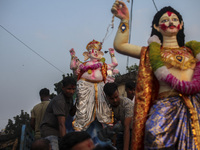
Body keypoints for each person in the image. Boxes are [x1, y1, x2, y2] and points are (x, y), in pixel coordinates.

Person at [111, 1, 200, 150]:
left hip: (194, 105)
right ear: (157, 27)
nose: (170, 22)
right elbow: (120, 46)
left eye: (174, 19)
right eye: (164, 20)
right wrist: (124, 21)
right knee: (154, 136)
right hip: (165, 104)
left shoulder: (192, 52)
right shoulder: (151, 52)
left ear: (181, 24)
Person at [40, 77, 76, 150]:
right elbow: (61, 124)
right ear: (63, 88)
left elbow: (71, 113)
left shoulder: (69, 98)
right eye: (69, 89)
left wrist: (78, 104)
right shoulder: (59, 101)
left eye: (73, 89)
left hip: (58, 131)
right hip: (50, 131)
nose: (71, 92)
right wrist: (65, 144)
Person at [103, 82, 134, 150]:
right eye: (111, 98)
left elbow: (127, 127)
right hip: (122, 131)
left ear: (118, 92)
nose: (115, 100)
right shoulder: (106, 105)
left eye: (116, 97)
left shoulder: (127, 104)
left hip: (133, 130)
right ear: (107, 97)